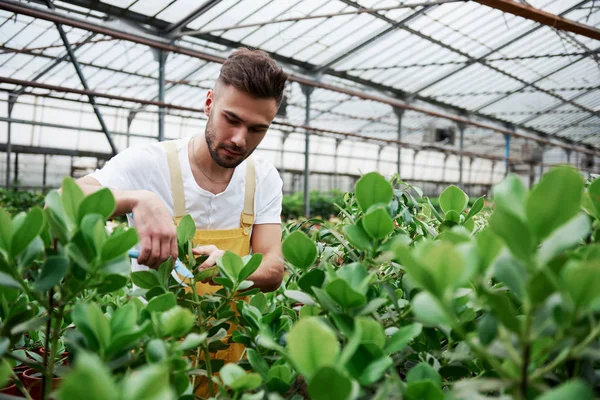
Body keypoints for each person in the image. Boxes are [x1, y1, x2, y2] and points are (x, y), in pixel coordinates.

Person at [76, 47, 287, 294]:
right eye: (231, 119)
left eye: (257, 129)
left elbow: (273, 269)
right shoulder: (149, 163)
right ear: (209, 104)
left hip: (234, 332)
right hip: (156, 331)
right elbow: (61, 204)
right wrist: (137, 199)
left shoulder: (263, 177)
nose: (240, 139)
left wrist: (231, 266)